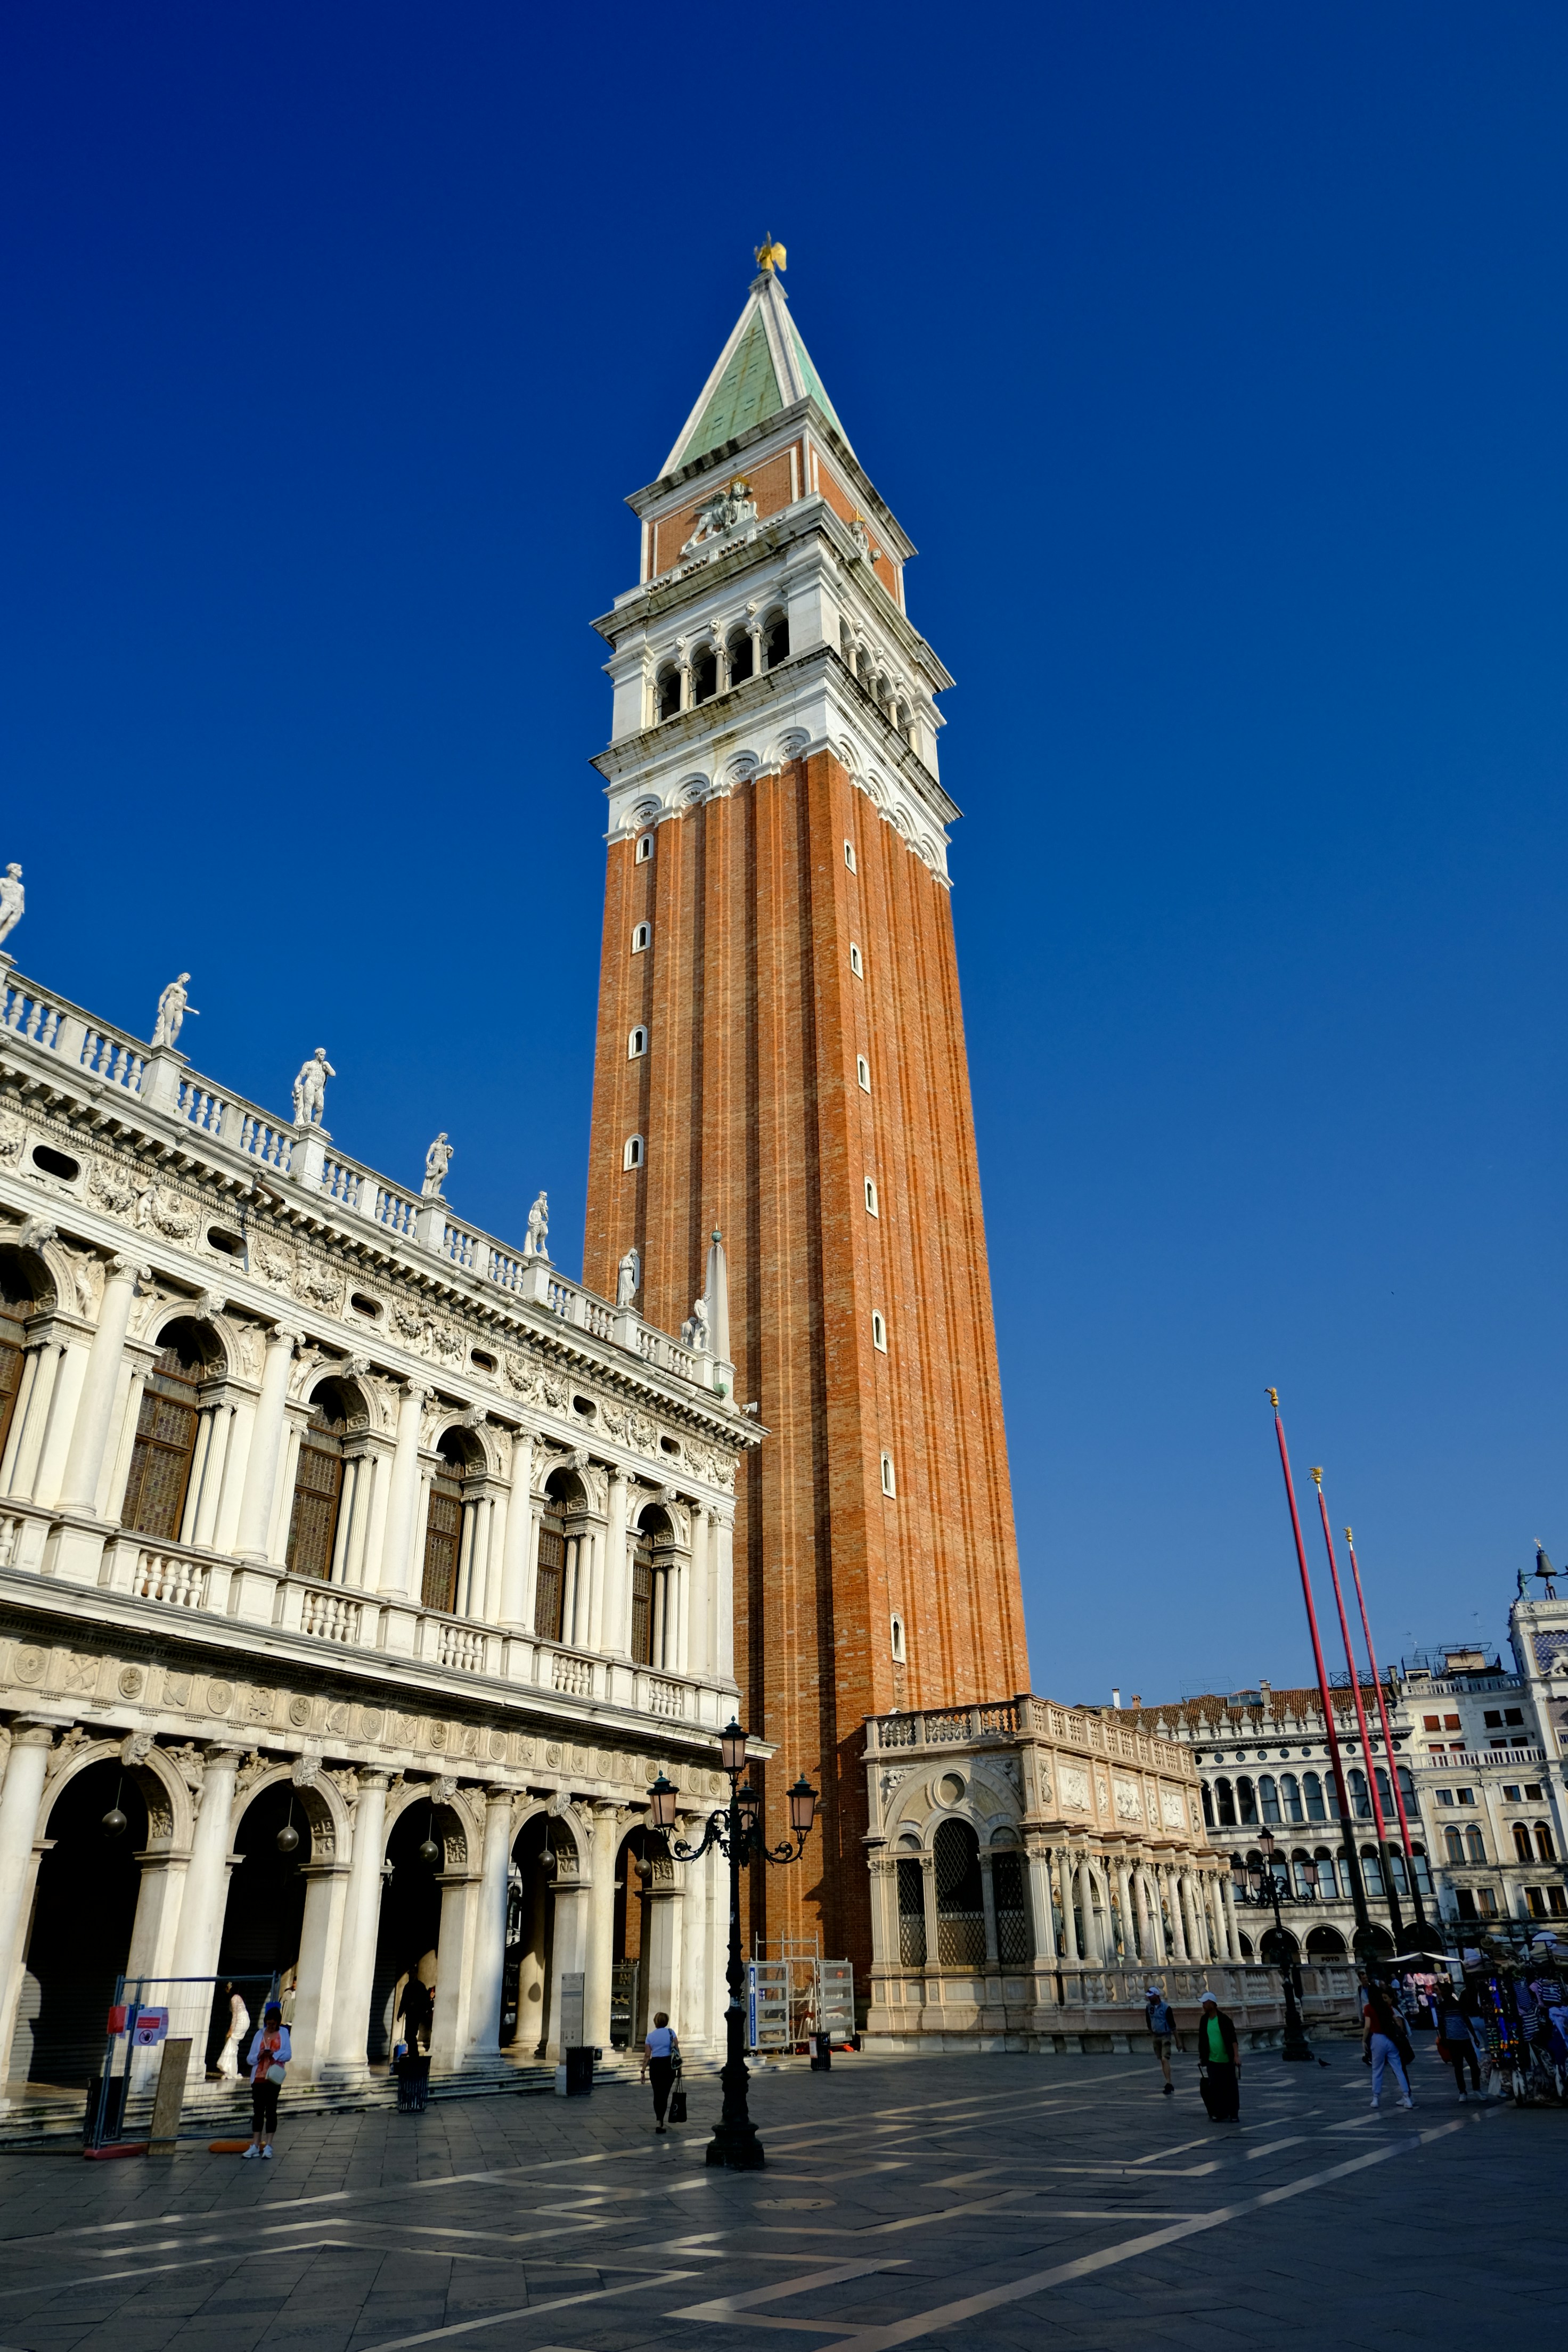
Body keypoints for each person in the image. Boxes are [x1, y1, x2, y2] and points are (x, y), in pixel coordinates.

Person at [242, 2003, 291, 2159]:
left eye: (273, 2024)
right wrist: (260, 2055)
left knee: (271, 2111)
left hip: (273, 2078)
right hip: (258, 2077)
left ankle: (269, 2145)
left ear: (278, 2023)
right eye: (268, 2024)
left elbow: (288, 2055)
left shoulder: (283, 2033)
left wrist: (274, 2055)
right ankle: (255, 2144)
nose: (270, 2027)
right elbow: (250, 2058)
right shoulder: (259, 2034)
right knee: (258, 2112)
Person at [1362, 1980, 1414, 2111]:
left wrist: (1363, 2040)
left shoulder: (1369, 2008)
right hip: (1391, 2039)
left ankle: (1376, 2098)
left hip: (1377, 2038)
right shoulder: (1386, 2006)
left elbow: (1368, 2026)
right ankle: (1407, 2097)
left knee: (1377, 2069)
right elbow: (1396, 2020)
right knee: (1398, 2068)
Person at [1195, 1992, 1240, 2120]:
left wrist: (1236, 2056)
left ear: (1212, 2004)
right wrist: (1202, 2057)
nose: (1203, 2005)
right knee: (1215, 2087)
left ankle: (1234, 2113)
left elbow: (1233, 2039)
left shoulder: (1224, 2020)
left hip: (1227, 2060)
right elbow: (1203, 2040)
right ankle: (1220, 2112)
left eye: (1205, 2003)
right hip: (1212, 2060)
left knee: (1230, 2087)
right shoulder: (1204, 2020)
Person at [1438, 1987, 1481, 2100]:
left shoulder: (1460, 2005)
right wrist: (1443, 2039)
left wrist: (1475, 2037)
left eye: (1445, 1990)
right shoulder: (1441, 2008)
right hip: (1452, 2041)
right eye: (1442, 1991)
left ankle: (1477, 2089)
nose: (1443, 1993)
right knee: (1458, 2067)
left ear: (1451, 1992)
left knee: (1474, 2065)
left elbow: (1467, 2021)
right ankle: (1462, 2091)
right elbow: (1441, 2025)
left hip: (1465, 2039)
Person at [641, 2010, 680, 2133]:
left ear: (655, 2022)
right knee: (665, 2094)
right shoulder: (671, 2032)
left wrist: (643, 2071)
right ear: (666, 2021)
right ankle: (661, 2121)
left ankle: (659, 2121)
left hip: (656, 2065)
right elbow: (677, 2052)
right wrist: (680, 2069)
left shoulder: (650, 2036)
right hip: (668, 2065)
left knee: (657, 2094)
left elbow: (647, 2055)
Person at [214, 1983, 249, 2082]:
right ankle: (230, 2069)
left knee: (232, 2042)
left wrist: (231, 2030)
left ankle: (229, 2069)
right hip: (243, 2020)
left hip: (241, 2021)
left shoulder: (234, 1999)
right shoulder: (236, 1998)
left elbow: (235, 2016)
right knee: (233, 2044)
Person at [1145, 1983, 1176, 2093]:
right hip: (1156, 2036)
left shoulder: (1166, 2008)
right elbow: (1148, 2021)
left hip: (1165, 2035)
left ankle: (1169, 2082)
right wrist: (1151, 2033)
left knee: (1164, 2058)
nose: (1149, 1998)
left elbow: (1173, 2025)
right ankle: (1168, 2081)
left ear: (1157, 1996)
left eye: (1151, 1996)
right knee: (1162, 2060)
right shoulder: (1149, 2007)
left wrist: (1178, 2041)